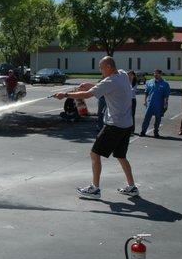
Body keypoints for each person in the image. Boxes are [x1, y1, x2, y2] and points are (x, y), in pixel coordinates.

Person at [53, 56, 138, 199]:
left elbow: (87, 95)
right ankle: (132, 187)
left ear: (109, 67)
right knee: (121, 156)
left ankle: (95, 189)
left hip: (114, 125)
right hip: (127, 125)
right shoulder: (122, 74)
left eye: (101, 67)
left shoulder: (110, 81)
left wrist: (65, 94)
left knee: (94, 154)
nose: (100, 70)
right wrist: (89, 84)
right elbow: (103, 86)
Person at [140, 69, 170, 138]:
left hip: (159, 104)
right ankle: (143, 131)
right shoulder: (149, 82)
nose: (155, 75)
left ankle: (156, 131)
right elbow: (146, 92)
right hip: (150, 103)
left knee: (158, 119)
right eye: (154, 73)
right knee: (146, 118)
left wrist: (166, 104)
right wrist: (145, 100)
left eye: (157, 74)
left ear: (160, 74)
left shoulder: (165, 84)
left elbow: (166, 95)